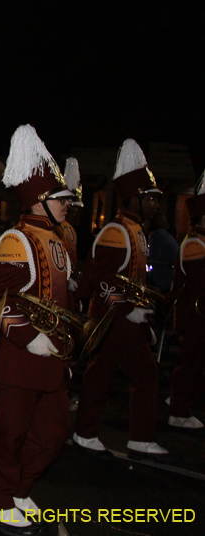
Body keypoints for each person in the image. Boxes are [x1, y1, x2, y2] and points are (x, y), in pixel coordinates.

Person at [0, 126, 75, 535]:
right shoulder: (16, 240)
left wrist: (64, 349)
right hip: (20, 359)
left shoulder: (56, 240)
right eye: (60, 198)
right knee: (10, 435)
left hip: (51, 359)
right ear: (39, 201)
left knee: (54, 432)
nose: (67, 204)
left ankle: (18, 490)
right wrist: (28, 336)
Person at [73, 139, 179, 463]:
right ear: (135, 198)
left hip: (126, 321)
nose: (156, 205)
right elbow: (101, 277)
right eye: (151, 199)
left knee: (142, 375)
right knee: (101, 377)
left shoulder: (135, 231)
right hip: (111, 319)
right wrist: (129, 309)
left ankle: (138, 438)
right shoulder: (117, 231)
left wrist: (142, 311)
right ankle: (87, 432)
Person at [167, 171, 205, 429]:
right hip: (193, 317)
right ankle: (179, 410)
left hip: (197, 316)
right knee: (190, 363)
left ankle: (180, 400)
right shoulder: (194, 244)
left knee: (194, 364)